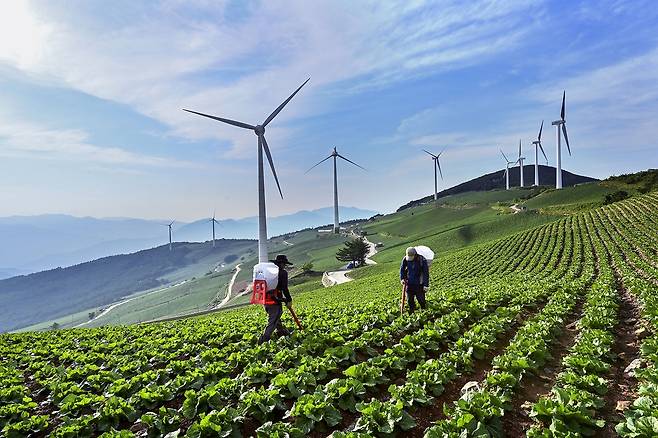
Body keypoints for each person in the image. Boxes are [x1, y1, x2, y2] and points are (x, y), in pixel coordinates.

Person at [258, 254, 293, 344]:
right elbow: (284, 288)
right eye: (284, 264)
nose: (285, 266)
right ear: (281, 263)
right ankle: (264, 340)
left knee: (275, 317)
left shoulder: (269, 272)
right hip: (274, 300)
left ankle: (281, 332)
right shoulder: (282, 273)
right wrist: (289, 299)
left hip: (265, 300)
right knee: (274, 319)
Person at [399, 247, 429, 313]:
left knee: (421, 300)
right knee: (410, 300)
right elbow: (402, 269)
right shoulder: (405, 259)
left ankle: (424, 311)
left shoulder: (422, 260)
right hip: (409, 283)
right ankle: (412, 311)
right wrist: (402, 278)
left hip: (419, 284)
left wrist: (426, 285)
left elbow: (425, 273)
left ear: (415, 255)